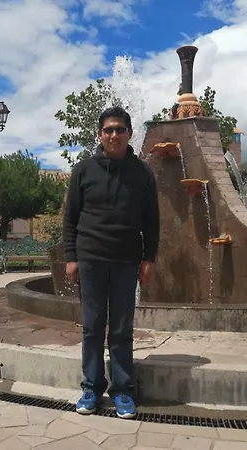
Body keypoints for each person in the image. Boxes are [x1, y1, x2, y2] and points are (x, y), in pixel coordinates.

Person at [63, 106, 160, 419]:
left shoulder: (142, 172)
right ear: (100, 135)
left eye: (120, 129)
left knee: (120, 329)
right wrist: (71, 258)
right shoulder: (83, 170)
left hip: (126, 261)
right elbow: (70, 218)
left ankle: (122, 390)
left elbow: (152, 221)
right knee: (92, 327)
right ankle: (91, 387)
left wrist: (148, 259)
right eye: (108, 130)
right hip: (90, 258)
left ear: (129, 133)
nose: (114, 135)